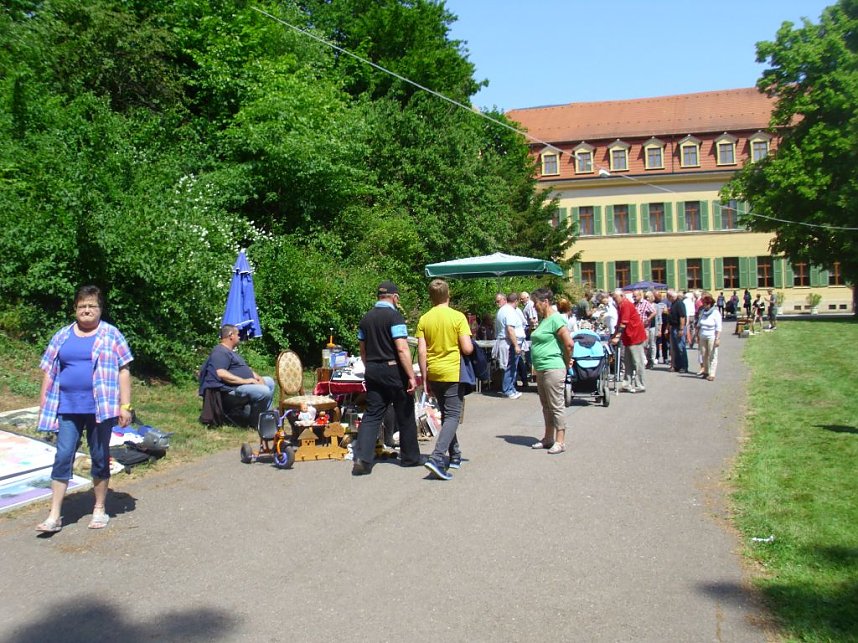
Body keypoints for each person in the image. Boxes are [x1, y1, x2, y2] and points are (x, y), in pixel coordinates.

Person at [35, 285, 133, 533]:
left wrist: (125, 406)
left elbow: (124, 370)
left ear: (100, 309)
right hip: (67, 407)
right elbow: (49, 371)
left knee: (99, 456)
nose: (86, 310)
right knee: (63, 455)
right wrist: (44, 403)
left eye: (92, 306)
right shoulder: (62, 336)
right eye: (82, 306)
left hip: (101, 407)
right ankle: (54, 514)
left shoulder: (111, 334)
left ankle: (99, 508)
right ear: (75, 309)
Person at [352, 281, 421, 475]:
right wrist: (411, 376)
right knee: (405, 412)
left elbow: (362, 351)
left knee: (373, 414)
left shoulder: (365, 319)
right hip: (393, 369)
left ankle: (362, 458)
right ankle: (410, 457)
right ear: (394, 297)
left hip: (372, 368)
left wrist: (371, 368)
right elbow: (402, 348)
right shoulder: (394, 316)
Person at [416, 279, 473, 480]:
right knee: (452, 416)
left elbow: (421, 351)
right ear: (448, 295)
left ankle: (455, 455)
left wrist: (425, 378)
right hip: (452, 371)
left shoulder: (424, 319)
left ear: (431, 297)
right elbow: (467, 348)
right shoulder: (457, 317)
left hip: (434, 372)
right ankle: (437, 457)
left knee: (447, 414)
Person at [200, 324, 275, 425]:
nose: (239, 337)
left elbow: (243, 369)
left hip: (241, 385)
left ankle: (267, 417)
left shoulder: (230, 352)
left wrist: (258, 377)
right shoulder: (220, 351)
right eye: (238, 334)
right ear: (231, 335)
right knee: (263, 391)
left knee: (269, 381)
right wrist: (246, 381)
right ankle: (257, 423)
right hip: (230, 390)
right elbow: (221, 373)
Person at [528, 289, 573, 454]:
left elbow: (569, 343)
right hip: (541, 368)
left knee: (556, 405)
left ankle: (560, 441)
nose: (534, 307)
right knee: (546, 405)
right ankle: (548, 438)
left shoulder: (556, 319)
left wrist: (567, 361)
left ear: (545, 302)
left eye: (536, 303)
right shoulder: (544, 320)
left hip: (553, 367)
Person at [611, 288, 647, 392]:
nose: (614, 300)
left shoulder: (625, 304)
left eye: (615, 298)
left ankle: (640, 385)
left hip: (635, 337)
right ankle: (627, 384)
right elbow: (619, 323)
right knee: (628, 362)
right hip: (628, 338)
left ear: (622, 296)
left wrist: (617, 337)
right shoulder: (620, 305)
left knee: (638, 362)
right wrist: (614, 335)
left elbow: (624, 322)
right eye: (613, 298)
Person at [500, 292, 526, 399]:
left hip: (510, 342)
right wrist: (516, 345)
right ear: (516, 301)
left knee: (512, 367)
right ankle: (508, 390)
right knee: (511, 367)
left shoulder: (504, 309)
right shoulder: (509, 311)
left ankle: (511, 388)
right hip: (511, 343)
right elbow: (510, 329)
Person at [694, 294, 722, 381]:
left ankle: (712, 373)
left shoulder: (715, 313)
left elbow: (719, 327)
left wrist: (717, 339)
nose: (704, 305)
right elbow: (699, 324)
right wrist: (697, 335)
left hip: (711, 336)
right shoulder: (703, 312)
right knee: (704, 354)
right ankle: (706, 371)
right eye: (703, 303)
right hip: (702, 335)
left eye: (705, 304)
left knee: (712, 355)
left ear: (710, 304)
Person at [667, 289, 688, 373]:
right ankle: (677, 366)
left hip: (678, 327)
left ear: (671, 296)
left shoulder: (679, 303)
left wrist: (681, 329)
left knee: (681, 347)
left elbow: (682, 316)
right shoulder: (673, 303)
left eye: (668, 297)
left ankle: (684, 366)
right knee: (675, 348)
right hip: (673, 327)